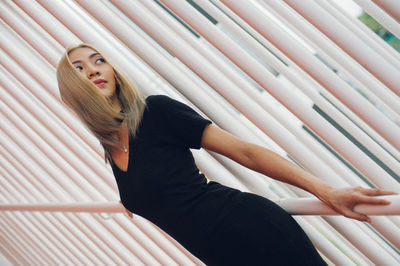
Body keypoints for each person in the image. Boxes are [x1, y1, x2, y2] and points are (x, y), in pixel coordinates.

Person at [56, 43, 395, 265]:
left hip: (253, 230)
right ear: (73, 88)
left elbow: (245, 152)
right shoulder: (110, 146)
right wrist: (129, 201)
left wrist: (325, 190)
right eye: (80, 68)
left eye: (99, 60)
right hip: (223, 255)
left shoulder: (156, 112)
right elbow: (150, 188)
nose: (94, 69)